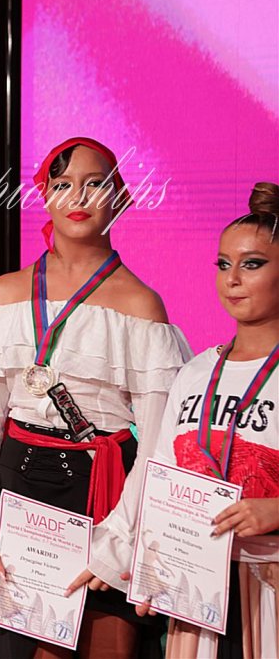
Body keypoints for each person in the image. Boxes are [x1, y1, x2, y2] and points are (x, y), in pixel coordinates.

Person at [0, 137, 191, 658]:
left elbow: (157, 449)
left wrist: (119, 538)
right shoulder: (7, 293)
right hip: (19, 488)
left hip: (103, 494)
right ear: (44, 195)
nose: (78, 197)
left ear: (120, 196)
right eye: (62, 184)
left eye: (95, 183)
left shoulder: (141, 305)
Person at [94, 181, 279, 658]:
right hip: (198, 595)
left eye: (252, 264)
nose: (232, 279)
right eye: (223, 264)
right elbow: (162, 479)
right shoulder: (195, 371)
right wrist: (153, 566)